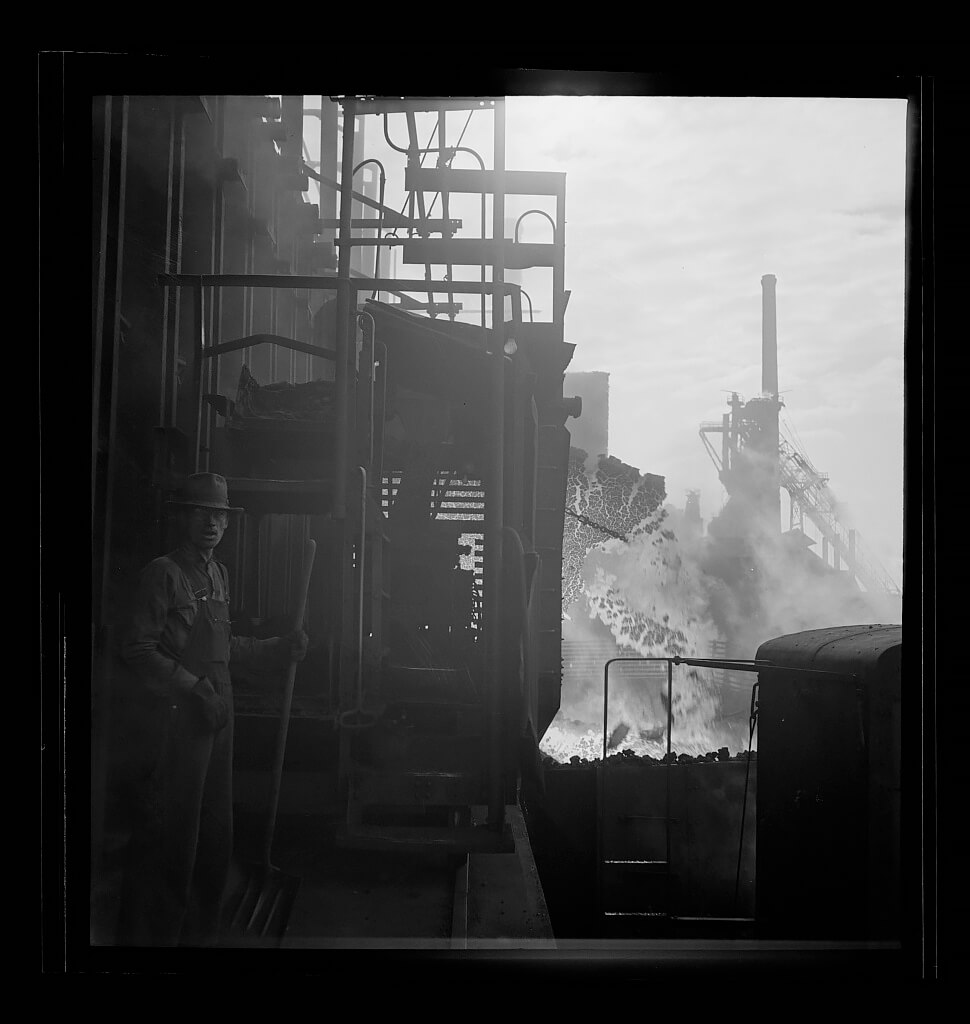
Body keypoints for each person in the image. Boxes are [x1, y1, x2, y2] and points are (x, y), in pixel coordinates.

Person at [117, 472, 307, 946]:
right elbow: (137, 649)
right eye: (201, 512)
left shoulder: (216, 575)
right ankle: (150, 940)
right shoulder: (163, 573)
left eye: (219, 515)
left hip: (218, 710)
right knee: (171, 832)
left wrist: (278, 648)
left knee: (215, 829)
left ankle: (197, 934)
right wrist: (191, 687)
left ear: (227, 523)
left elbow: (227, 648)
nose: (211, 523)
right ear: (183, 517)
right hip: (177, 716)